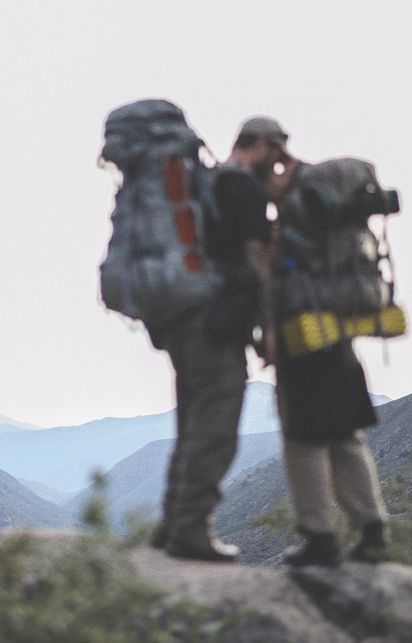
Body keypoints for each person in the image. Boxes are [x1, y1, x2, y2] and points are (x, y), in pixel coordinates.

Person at [148, 116, 287, 562]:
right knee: (217, 430)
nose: (280, 163)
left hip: (183, 322)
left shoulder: (202, 184)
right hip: (218, 325)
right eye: (278, 152)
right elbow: (257, 261)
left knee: (191, 422)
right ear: (261, 144)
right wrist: (268, 330)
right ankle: (190, 530)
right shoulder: (243, 190)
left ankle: (171, 523)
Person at [265, 150, 391, 567]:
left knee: (304, 438)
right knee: (345, 434)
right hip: (338, 333)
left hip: (305, 335)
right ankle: (373, 530)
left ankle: (319, 536)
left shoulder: (303, 207)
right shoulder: (333, 207)